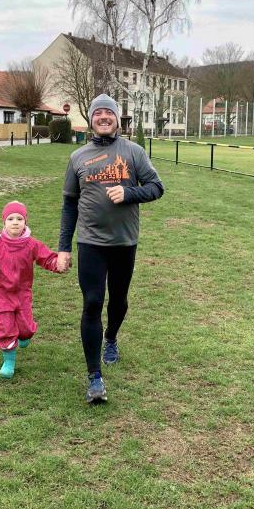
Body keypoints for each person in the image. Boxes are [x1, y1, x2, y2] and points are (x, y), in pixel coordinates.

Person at [57, 94, 164, 403]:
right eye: (98, 113)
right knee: (92, 303)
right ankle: (94, 377)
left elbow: (157, 187)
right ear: (91, 119)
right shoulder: (78, 157)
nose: (103, 117)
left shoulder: (133, 152)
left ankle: (112, 337)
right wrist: (64, 247)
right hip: (90, 242)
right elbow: (69, 204)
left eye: (109, 113)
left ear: (117, 118)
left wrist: (129, 193)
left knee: (118, 301)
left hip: (124, 242)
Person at [0, 201, 63, 379]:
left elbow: (45, 257)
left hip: (23, 294)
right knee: (4, 327)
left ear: (25, 222)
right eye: (10, 219)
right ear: (4, 222)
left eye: (19, 218)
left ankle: (24, 335)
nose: (15, 222)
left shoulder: (31, 244)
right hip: (3, 295)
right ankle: (9, 361)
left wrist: (57, 263)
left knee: (25, 329)